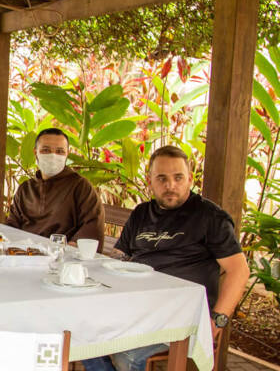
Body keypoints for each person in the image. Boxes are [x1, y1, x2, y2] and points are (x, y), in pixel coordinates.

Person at [82, 146, 250, 371]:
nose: (170, 185)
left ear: (190, 179)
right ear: (149, 180)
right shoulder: (141, 213)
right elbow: (120, 255)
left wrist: (217, 321)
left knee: (127, 356)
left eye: (178, 177)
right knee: (80, 332)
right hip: (135, 308)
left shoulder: (210, 217)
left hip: (180, 316)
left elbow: (239, 271)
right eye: (161, 178)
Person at [6, 128, 104, 247]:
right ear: (35, 152)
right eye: (46, 150)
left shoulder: (81, 187)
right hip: (24, 252)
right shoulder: (26, 189)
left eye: (60, 151)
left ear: (67, 153)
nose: (53, 156)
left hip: (62, 255)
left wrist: (68, 251)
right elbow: (12, 225)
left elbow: (92, 227)